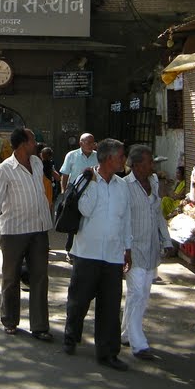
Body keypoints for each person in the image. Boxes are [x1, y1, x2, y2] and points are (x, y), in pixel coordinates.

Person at [63, 138, 132, 371]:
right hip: (87, 252)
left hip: (113, 254)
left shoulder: (122, 186)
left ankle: (108, 352)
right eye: (121, 156)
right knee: (79, 300)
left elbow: (126, 219)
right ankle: (71, 337)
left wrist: (128, 248)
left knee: (111, 306)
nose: (124, 160)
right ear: (108, 158)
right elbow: (85, 209)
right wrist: (92, 182)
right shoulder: (86, 179)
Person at [0, 128, 54, 341]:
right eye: (33, 139)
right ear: (23, 144)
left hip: (40, 228)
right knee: (11, 277)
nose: (36, 143)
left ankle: (40, 326)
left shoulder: (38, 163)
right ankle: (10, 320)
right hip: (14, 231)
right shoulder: (5, 169)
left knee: (40, 277)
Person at [122, 145, 173, 361]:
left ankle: (125, 333)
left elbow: (158, 213)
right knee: (137, 293)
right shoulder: (124, 186)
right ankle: (138, 343)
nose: (152, 165)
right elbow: (121, 220)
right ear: (136, 165)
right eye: (149, 161)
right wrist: (125, 249)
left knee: (142, 294)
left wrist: (166, 240)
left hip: (151, 248)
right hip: (133, 249)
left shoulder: (152, 182)